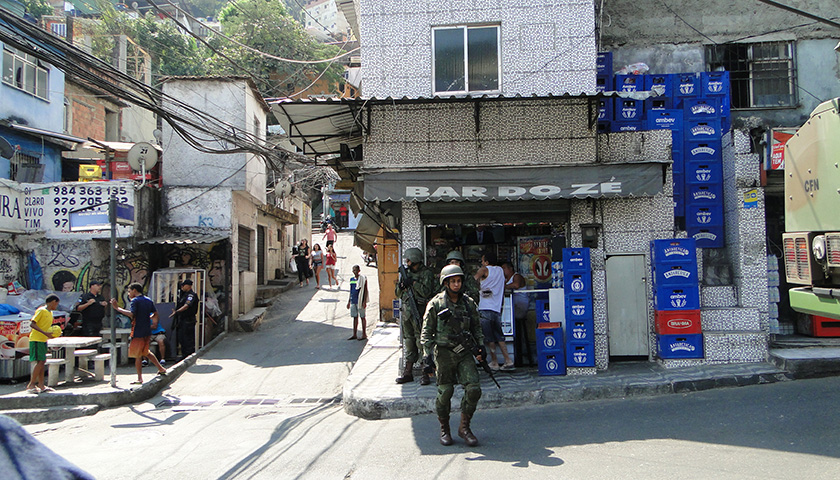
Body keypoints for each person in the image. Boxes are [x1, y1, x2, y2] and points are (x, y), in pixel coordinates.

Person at [421, 264, 484, 446]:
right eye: (453, 281)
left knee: (473, 388)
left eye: (458, 281)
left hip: (463, 353)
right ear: (445, 283)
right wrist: (427, 356)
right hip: (444, 354)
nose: (456, 284)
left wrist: (481, 346)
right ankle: (444, 429)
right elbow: (426, 333)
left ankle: (464, 427)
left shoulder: (468, 303)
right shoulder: (436, 303)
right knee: (445, 392)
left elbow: (476, 327)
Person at [395, 247, 436, 385]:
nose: (407, 262)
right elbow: (398, 293)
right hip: (407, 313)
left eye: (409, 259)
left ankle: (425, 372)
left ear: (415, 259)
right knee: (409, 341)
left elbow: (426, 292)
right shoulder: (405, 273)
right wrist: (401, 285)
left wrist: (413, 283)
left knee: (422, 341)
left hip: (420, 311)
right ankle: (408, 372)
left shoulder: (427, 274)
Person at [111, 283, 166, 384]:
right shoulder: (148, 300)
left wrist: (117, 308)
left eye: (129, 291)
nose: (128, 293)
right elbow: (155, 313)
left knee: (138, 355)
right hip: (147, 330)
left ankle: (139, 378)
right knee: (146, 351)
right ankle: (161, 368)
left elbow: (132, 314)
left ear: (135, 291)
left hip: (138, 330)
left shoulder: (135, 301)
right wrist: (148, 318)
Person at [475, 251, 514, 371]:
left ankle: (494, 361)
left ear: (486, 262)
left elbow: (474, 279)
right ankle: (508, 360)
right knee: (499, 335)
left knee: (489, 337)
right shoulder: (500, 271)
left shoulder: (484, 269)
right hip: (497, 308)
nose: (482, 263)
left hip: (484, 308)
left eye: (482, 260)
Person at [25, 294, 59, 394]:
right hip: (36, 339)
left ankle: (41, 385)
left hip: (43, 340)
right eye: (56, 304)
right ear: (53, 302)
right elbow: (32, 324)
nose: (56, 306)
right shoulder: (41, 310)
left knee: (42, 361)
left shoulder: (50, 312)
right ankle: (31, 385)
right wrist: (45, 333)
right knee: (39, 362)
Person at [503, 261, 531, 366]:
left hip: (520, 308)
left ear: (510, 268)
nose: (503, 271)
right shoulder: (505, 279)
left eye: (504, 268)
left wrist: (503, 286)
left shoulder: (517, 276)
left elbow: (516, 285)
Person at [170, 279, 199, 360]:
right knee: (181, 338)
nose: (182, 287)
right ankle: (184, 355)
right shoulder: (183, 295)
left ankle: (188, 356)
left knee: (187, 339)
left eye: (183, 285)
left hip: (188, 320)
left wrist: (177, 312)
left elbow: (186, 306)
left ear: (188, 286)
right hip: (182, 320)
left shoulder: (191, 295)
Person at [346, 265, 368, 340]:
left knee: (362, 317)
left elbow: (365, 290)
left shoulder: (362, 279)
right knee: (355, 317)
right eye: (353, 270)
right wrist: (349, 301)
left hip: (360, 301)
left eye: (355, 270)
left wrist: (364, 301)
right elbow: (351, 290)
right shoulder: (352, 279)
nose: (354, 272)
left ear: (359, 271)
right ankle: (354, 334)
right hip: (353, 300)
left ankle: (364, 334)